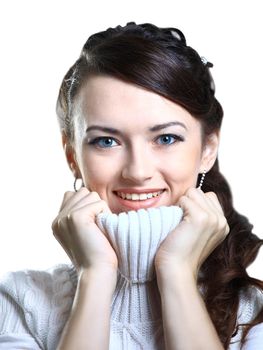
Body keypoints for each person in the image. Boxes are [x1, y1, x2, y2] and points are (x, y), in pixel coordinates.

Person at [0, 21, 263, 350]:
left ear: (207, 150)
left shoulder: (252, 312)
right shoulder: (20, 303)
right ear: (72, 155)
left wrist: (177, 273)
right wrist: (94, 276)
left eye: (166, 138)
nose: (137, 172)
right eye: (107, 141)